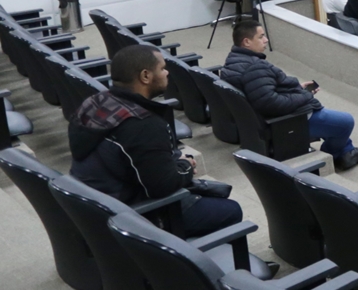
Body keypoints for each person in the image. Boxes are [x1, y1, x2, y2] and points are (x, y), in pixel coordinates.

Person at [69, 44, 245, 238]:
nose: (167, 72)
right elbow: (162, 186)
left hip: (94, 204)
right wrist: (186, 166)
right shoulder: (142, 125)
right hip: (129, 216)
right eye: (162, 68)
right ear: (145, 76)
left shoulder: (93, 102)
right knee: (230, 209)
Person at [222, 20, 358, 170]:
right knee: (345, 122)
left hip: (267, 118)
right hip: (288, 121)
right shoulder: (255, 67)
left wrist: (297, 88)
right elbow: (269, 103)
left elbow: (262, 91)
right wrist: (305, 96)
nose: (266, 40)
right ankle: (335, 155)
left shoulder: (234, 60)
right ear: (247, 42)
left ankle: (347, 152)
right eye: (261, 37)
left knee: (332, 121)